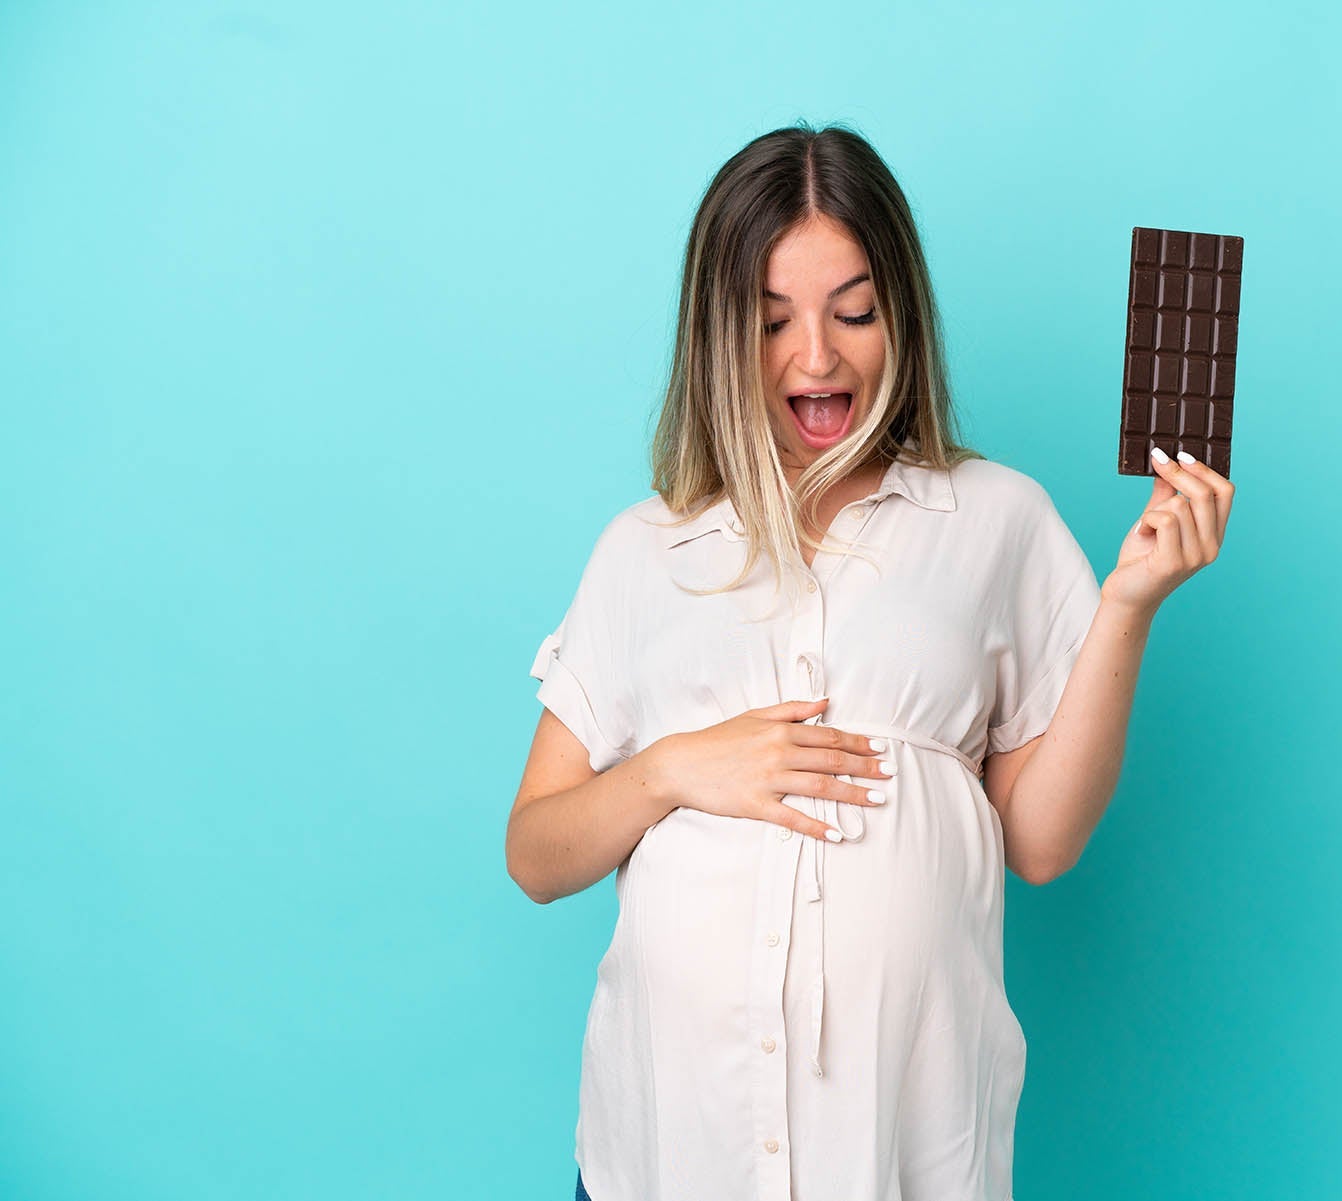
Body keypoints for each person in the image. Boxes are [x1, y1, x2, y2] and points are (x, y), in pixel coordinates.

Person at [504, 121, 1233, 1201]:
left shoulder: (995, 519)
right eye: (770, 321)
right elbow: (535, 851)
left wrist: (1129, 604)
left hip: (903, 1152)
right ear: (719, 336)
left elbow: (1039, 839)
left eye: (854, 313)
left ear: (902, 314)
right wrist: (670, 770)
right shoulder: (646, 548)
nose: (816, 357)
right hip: (673, 1154)